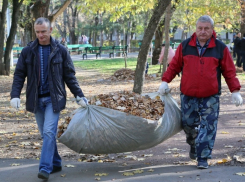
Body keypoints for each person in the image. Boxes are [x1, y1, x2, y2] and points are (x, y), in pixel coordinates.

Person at [158, 15, 243, 169]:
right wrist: (165, 81)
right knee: (188, 125)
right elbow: (174, 66)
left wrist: (235, 91)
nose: (203, 31)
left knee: (208, 126)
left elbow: (229, 72)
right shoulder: (184, 46)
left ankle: (203, 157)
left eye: (206, 28)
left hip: (210, 96)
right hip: (188, 95)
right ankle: (193, 144)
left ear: (212, 30)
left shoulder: (220, 48)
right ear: (196, 29)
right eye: (200, 28)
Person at [10, 17, 88, 180]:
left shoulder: (61, 50)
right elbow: (19, 75)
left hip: (54, 99)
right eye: (37, 32)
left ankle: (45, 168)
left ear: (51, 30)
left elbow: (69, 76)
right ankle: (57, 162)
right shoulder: (28, 51)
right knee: (47, 135)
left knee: (48, 132)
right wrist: (15, 95)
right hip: (36, 100)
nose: (40, 35)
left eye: (43, 31)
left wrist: (79, 95)